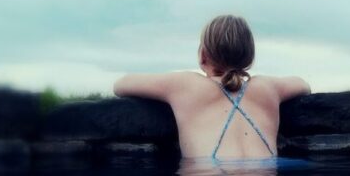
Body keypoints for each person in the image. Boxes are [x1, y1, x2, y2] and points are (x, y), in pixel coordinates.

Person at [113, 15, 310, 160]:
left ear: (203, 55)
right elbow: (303, 85)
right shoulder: (267, 88)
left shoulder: (186, 85)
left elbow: (121, 85)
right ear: (249, 58)